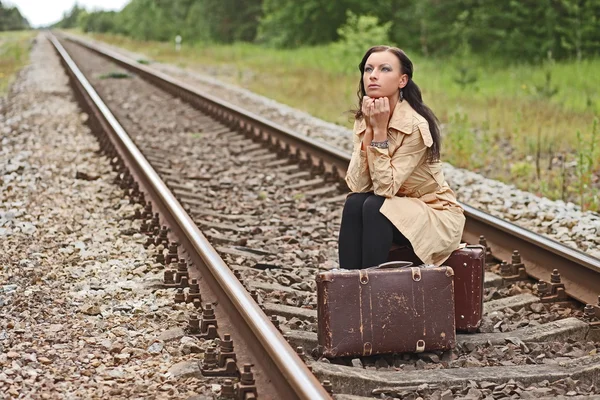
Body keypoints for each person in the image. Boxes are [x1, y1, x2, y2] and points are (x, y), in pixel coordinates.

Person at [338, 45, 466, 269]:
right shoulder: (365, 116)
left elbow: (384, 189)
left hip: (433, 214)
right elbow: (358, 185)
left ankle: (371, 288)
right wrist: (369, 128)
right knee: (355, 202)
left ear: (402, 81)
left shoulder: (415, 126)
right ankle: (347, 285)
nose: (373, 76)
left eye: (385, 69)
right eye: (368, 69)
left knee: (373, 205)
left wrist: (379, 132)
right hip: (395, 206)